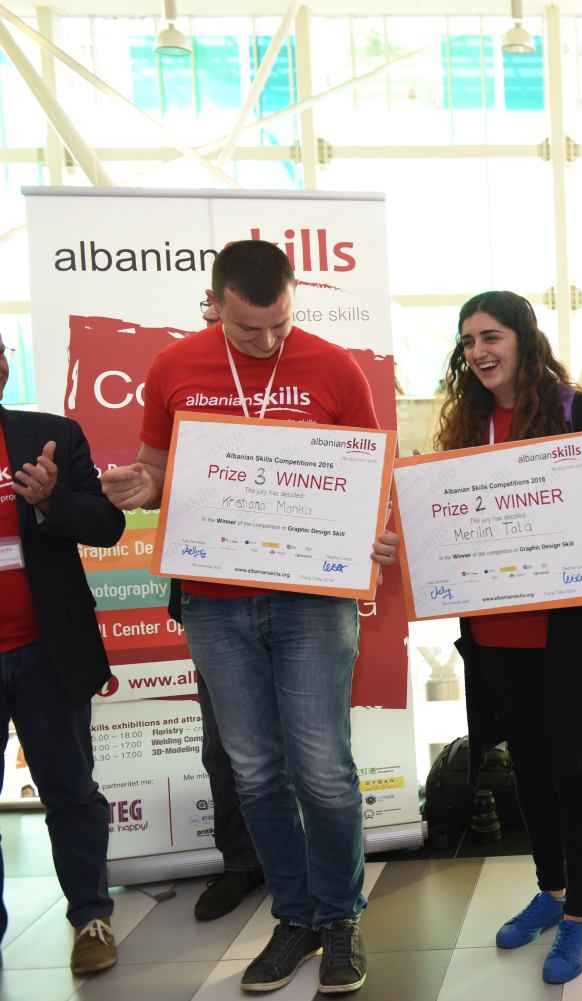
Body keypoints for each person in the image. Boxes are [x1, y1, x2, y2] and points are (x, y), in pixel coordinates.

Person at [100, 240, 398, 994]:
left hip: (313, 601)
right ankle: (294, 916)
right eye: (246, 329)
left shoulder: (335, 367)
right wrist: (141, 486)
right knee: (257, 772)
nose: (265, 343)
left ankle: (340, 918)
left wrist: (379, 530)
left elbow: (369, 478)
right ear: (214, 303)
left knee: (323, 770)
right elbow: (158, 470)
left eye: (279, 325)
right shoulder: (174, 366)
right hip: (214, 602)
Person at [438, 290, 582, 985]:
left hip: (564, 632)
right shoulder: (465, 423)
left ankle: (581, 913)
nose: (478, 351)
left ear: (523, 337)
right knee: (524, 763)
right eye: (468, 341)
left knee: (572, 767)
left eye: (490, 336)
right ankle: (551, 890)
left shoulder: (577, 412)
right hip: (493, 631)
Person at [0, 333, 126, 975]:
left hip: (47, 650)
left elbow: (107, 526)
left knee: (72, 791)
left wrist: (51, 499)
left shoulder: (50, 435)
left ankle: (91, 918)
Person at [174, 289, 265, 922]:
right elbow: (159, 472)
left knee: (306, 749)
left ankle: (301, 867)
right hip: (210, 596)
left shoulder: (296, 387)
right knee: (224, 745)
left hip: (297, 597)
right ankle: (240, 862)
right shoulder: (184, 383)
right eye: (218, 321)